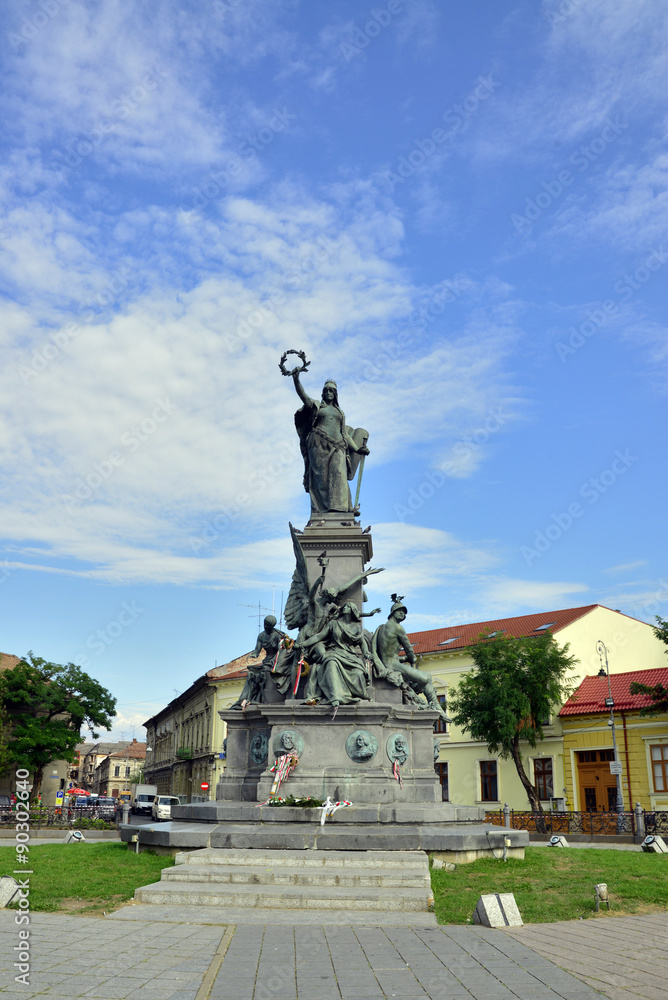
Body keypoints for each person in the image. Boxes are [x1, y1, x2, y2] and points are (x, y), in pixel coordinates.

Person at [291, 372, 369, 513]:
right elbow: (303, 396)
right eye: (326, 390)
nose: (328, 392)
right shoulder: (317, 407)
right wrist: (296, 379)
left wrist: (357, 449)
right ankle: (322, 510)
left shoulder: (340, 412)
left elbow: (344, 434)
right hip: (318, 445)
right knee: (322, 479)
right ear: (322, 393)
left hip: (338, 445)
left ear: (335, 393)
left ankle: (341, 508)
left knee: (339, 475)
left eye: (331, 390)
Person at [372, 597, 450, 723]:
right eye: (400, 611)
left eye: (404, 612)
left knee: (420, 679)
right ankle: (436, 707)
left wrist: (403, 658)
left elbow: (389, 653)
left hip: (388, 662)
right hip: (392, 665)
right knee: (426, 678)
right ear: (392, 613)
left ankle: (421, 694)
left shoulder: (381, 628)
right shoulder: (398, 628)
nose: (403, 614)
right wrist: (411, 657)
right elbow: (409, 649)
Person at [302, 602, 371, 708]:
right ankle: (335, 696)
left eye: (348, 606)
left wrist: (366, 652)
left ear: (353, 610)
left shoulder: (356, 627)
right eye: (344, 606)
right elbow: (318, 637)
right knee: (331, 663)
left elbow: (362, 642)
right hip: (334, 651)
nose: (345, 608)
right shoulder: (334, 623)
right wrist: (302, 644)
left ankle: (355, 694)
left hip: (350, 656)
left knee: (358, 673)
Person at [230, 615, 286, 709]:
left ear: (272, 625)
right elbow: (257, 651)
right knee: (251, 673)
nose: (265, 626)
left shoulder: (278, 635)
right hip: (266, 660)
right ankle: (246, 698)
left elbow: (281, 651)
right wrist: (252, 655)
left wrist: (274, 660)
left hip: (276, 661)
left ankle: (260, 697)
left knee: (263, 673)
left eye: (267, 625)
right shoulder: (261, 635)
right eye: (265, 624)